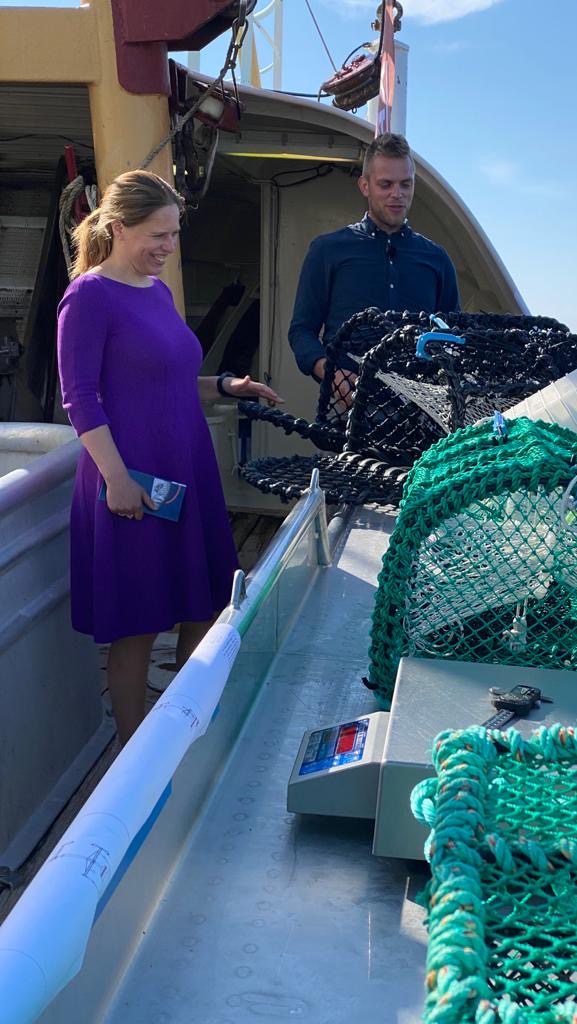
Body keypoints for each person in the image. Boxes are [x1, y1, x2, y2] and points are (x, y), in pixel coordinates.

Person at [57, 169, 282, 745]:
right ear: (117, 228)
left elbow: (166, 377)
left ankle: (183, 732)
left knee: (202, 605)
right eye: (158, 235)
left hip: (185, 470)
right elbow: (80, 397)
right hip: (130, 476)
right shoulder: (87, 297)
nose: (169, 246)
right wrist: (116, 480)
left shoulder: (156, 291)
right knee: (137, 624)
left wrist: (225, 385)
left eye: (175, 233)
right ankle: (134, 754)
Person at [288, 132, 460, 400]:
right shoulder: (327, 250)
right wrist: (331, 374)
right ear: (365, 186)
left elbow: (454, 337)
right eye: (385, 184)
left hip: (421, 411)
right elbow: (301, 331)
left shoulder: (437, 258)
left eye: (405, 184)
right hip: (347, 410)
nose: (397, 194)